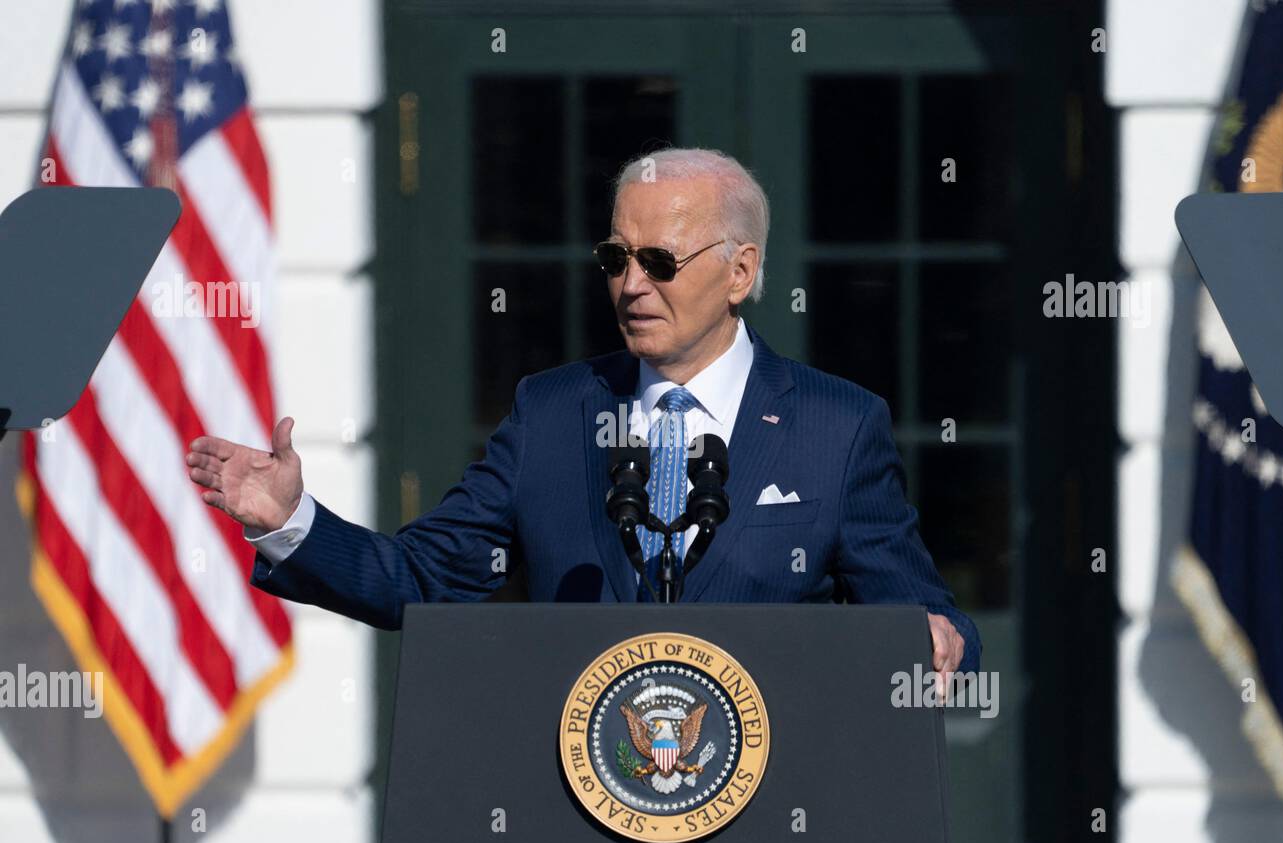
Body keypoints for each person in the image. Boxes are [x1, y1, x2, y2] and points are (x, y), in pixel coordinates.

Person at [186, 147, 981, 677]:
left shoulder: (835, 428)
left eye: (660, 262)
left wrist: (937, 645)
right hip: (579, 813)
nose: (631, 284)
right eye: (616, 258)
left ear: (740, 273)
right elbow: (423, 579)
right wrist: (291, 521)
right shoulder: (554, 412)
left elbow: (929, 625)